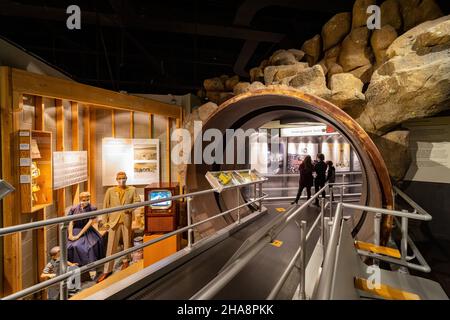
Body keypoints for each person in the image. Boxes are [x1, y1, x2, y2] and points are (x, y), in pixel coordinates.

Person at [97, 172, 140, 283]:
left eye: (123, 178)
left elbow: (137, 201)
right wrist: (105, 222)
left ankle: (126, 261)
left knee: (127, 242)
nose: (122, 180)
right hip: (113, 221)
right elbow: (105, 206)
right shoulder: (110, 191)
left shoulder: (132, 189)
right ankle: (107, 270)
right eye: (119, 178)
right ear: (116, 179)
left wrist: (129, 209)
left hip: (126, 220)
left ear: (126, 178)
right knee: (111, 245)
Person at [67, 192, 104, 270]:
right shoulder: (74, 208)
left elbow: (89, 223)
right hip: (75, 229)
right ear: (80, 199)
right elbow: (71, 221)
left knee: (83, 246)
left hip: (86, 230)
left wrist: (78, 236)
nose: (86, 201)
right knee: (69, 246)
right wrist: (70, 234)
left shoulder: (92, 208)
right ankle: (72, 267)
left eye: (88, 199)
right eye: (84, 200)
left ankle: (87, 268)